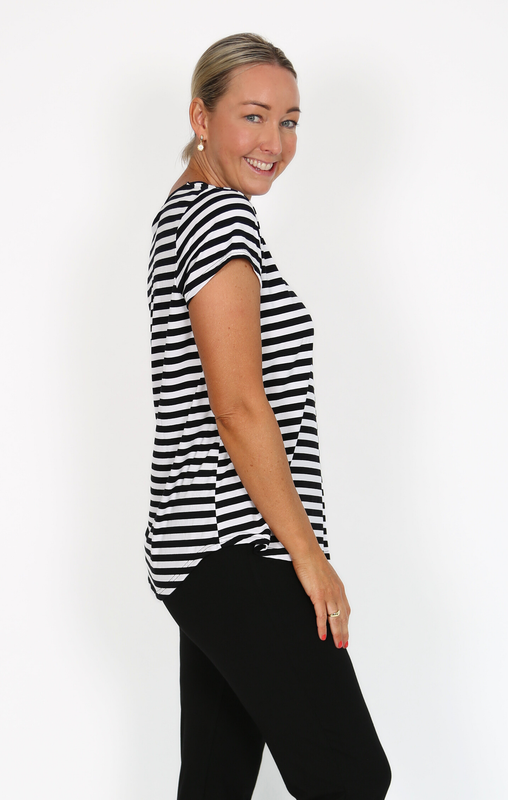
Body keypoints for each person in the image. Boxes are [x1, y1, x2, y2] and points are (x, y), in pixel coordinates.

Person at [145, 32, 391, 800]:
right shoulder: (219, 218)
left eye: (288, 121)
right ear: (201, 117)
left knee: (215, 783)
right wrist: (306, 557)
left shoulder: (181, 213)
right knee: (351, 777)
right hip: (237, 546)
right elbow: (239, 406)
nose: (273, 143)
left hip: (199, 549)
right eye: (252, 116)